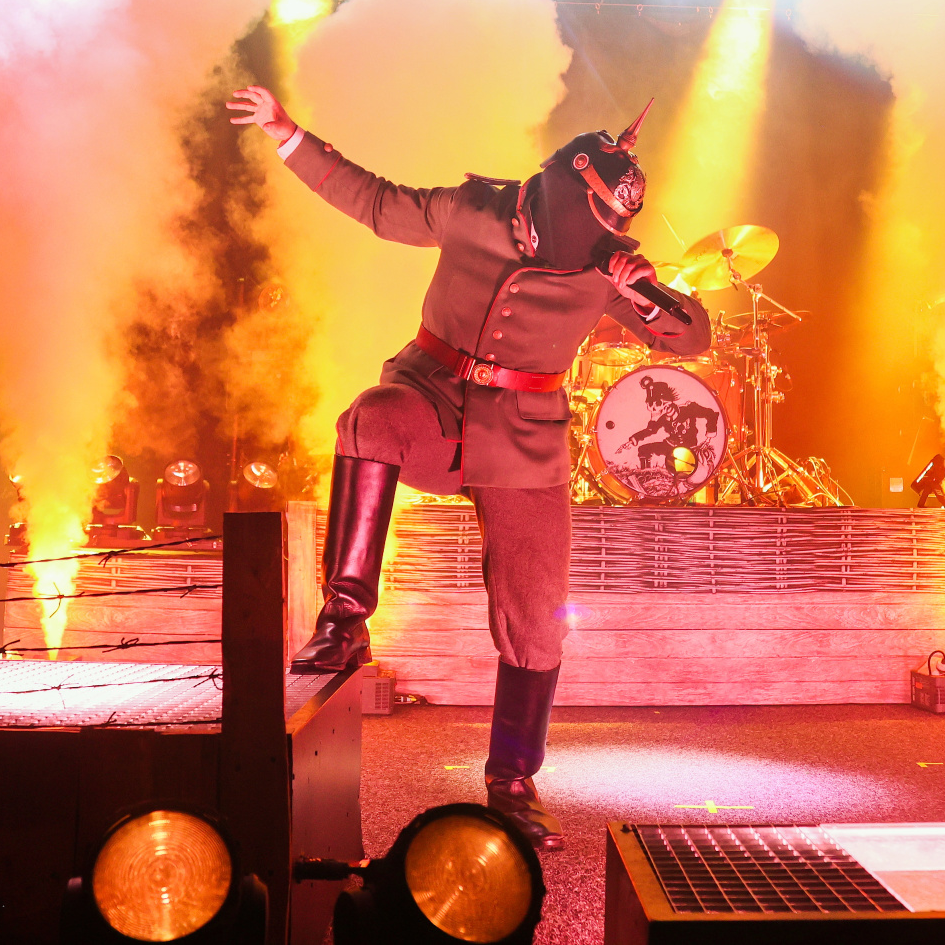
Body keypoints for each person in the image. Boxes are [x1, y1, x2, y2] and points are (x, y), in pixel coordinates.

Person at [228, 85, 710, 849]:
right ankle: (346, 619)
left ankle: (512, 781)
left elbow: (694, 337)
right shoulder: (473, 209)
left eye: (616, 225)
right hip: (432, 396)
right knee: (369, 418)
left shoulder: (605, 267)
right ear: (563, 189)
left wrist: (646, 299)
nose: (603, 236)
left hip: (525, 436)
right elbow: (376, 203)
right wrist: (289, 134)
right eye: (596, 217)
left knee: (537, 615)